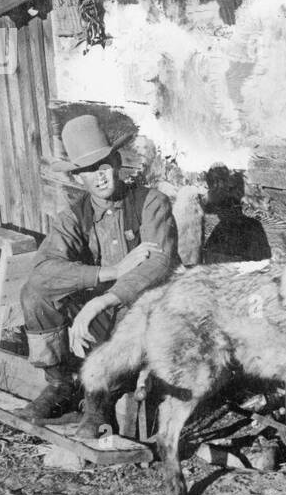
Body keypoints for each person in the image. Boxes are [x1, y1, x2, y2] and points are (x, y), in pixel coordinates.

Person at [17, 114, 178, 427]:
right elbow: (43, 272)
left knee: (124, 316)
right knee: (35, 294)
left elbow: (159, 262)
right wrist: (110, 272)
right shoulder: (74, 218)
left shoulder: (150, 202)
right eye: (89, 171)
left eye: (103, 165)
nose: (100, 176)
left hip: (145, 308)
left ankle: (97, 399)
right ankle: (60, 384)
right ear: (79, 178)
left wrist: (101, 300)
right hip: (101, 311)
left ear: (116, 162)